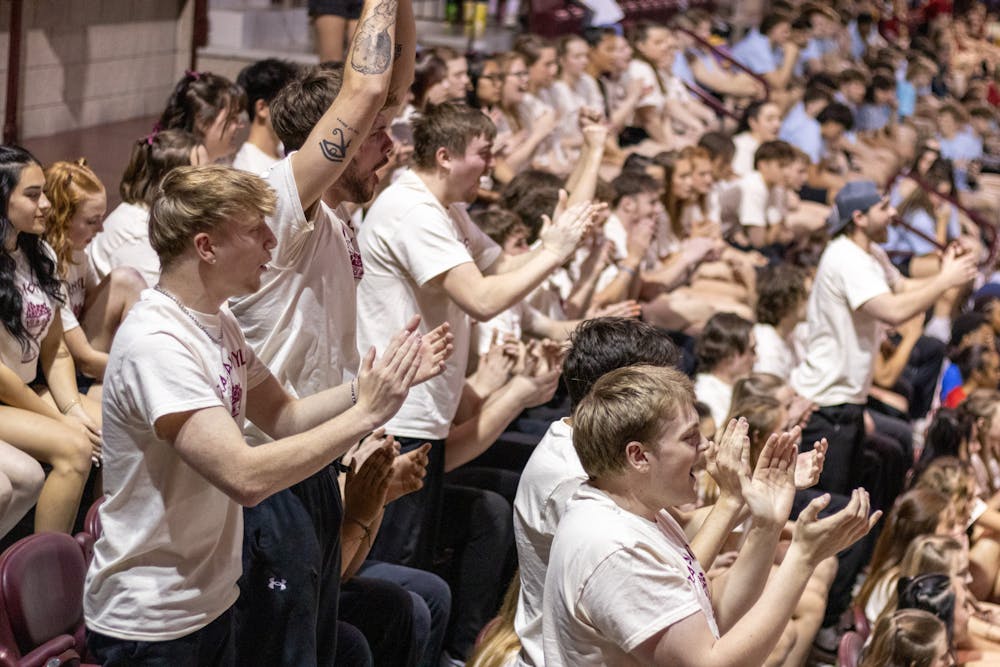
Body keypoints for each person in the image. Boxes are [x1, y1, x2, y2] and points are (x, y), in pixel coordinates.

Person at [83, 164, 423, 666]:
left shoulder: (219, 323)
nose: (271, 239)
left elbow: (285, 416)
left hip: (209, 600)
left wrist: (368, 389)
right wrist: (365, 414)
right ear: (206, 247)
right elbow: (243, 476)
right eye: (254, 229)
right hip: (153, 618)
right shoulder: (157, 342)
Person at [227, 2, 450, 664]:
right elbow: (367, 90)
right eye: (376, 134)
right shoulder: (278, 205)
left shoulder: (335, 217)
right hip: (267, 473)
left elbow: (391, 90)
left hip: (315, 459)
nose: (393, 145)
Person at [357, 100, 597, 574]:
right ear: (445, 156)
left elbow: (507, 267)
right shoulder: (412, 210)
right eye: (484, 153)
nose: (492, 165)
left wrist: (557, 242)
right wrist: (554, 252)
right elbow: (483, 300)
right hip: (401, 414)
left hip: (425, 409)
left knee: (417, 563)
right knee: (396, 568)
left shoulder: (447, 210)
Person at [542, 364, 878, 666]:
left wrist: (767, 522)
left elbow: (713, 615)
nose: (707, 446)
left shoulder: (640, 513)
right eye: (690, 437)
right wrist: (803, 558)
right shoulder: (616, 548)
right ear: (638, 456)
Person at [791, 180, 975, 499]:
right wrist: (946, 280)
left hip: (845, 399)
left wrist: (945, 271)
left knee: (848, 495)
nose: (893, 213)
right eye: (884, 207)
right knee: (828, 503)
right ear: (859, 218)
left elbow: (902, 288)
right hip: (828, 403)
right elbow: (892, 310)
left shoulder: (870, 253)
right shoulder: (846, 259)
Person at [513, 317, 680, 667]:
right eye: (660, 387)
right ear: (617, 392)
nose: (675, 398)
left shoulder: (592, 447)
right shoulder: (573, 475)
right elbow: (672, 576)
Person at [0, 145, 99, 534]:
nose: (45, 204)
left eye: (43, 192)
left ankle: (101, 545)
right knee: (75, 448)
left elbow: (56, 350)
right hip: (6, 395)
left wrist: (73, 408)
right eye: (32, 194)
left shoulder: (39, 252)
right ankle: (50, 565)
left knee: (112, 427)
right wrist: (59, 420)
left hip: (27, 388)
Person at [42, 160, 144, 393]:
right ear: (61, 218)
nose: (100, 229)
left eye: (101, 218)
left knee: (126, 279)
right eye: (91, 221)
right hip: (65, 371)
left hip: (91, 357)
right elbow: (84, 358)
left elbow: (98, 308)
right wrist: (144, 371)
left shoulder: (77, 251)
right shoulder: (47, 265)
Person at [88, 129, 207, 287]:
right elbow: (158, 294)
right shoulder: (135, 231)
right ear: (166, 179)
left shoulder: (163, 218)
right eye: (200, 176)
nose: (209, 184)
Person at [157, 70, 246, 163]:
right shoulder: (178, 170)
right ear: (202, 122)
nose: (240, 125)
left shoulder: (221, 163)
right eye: (232, 118)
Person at [233, 58, 301, 174]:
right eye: (287, 104)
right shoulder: (248, 170)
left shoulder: (284, 153)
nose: (296, 111)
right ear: (262, 108)